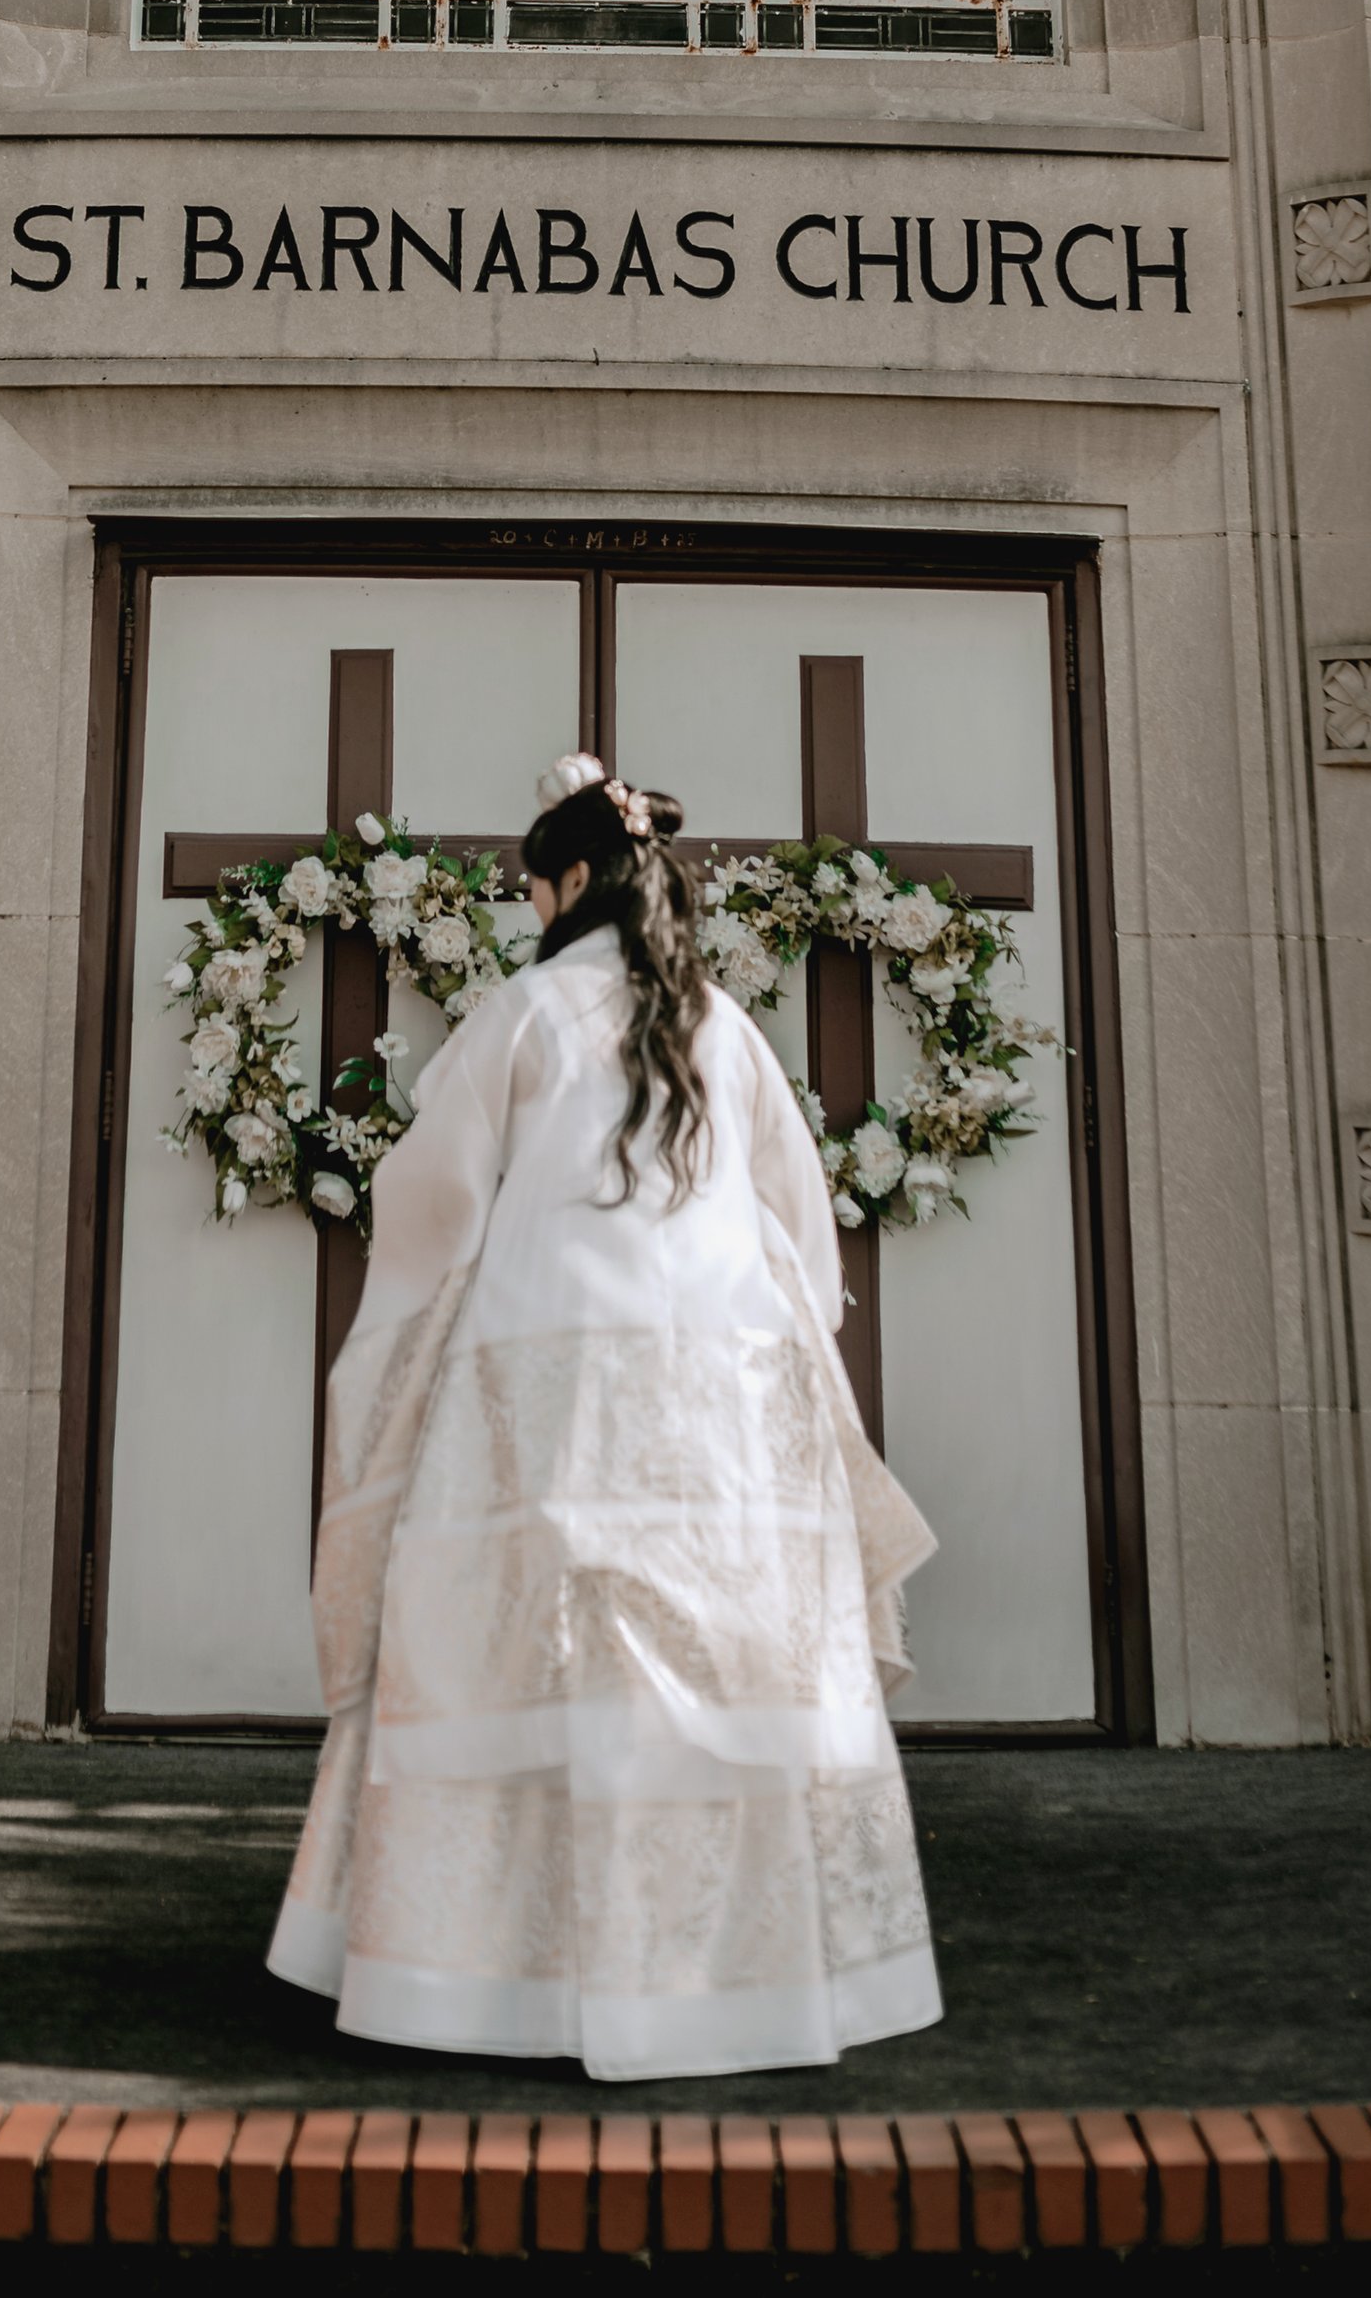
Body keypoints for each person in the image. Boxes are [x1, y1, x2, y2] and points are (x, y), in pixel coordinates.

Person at [267, 754, 943, 2081]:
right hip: (722, 1394)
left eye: (531, 885)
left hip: (546, 1383)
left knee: (521, 1653)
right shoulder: (726, 1027)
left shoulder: (522, 1014)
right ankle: (730, 1977)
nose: (526, 908)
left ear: (571, 880)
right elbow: (802, 1237)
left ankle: (492, 1983)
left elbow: (432, 1203)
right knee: (721, 1649)